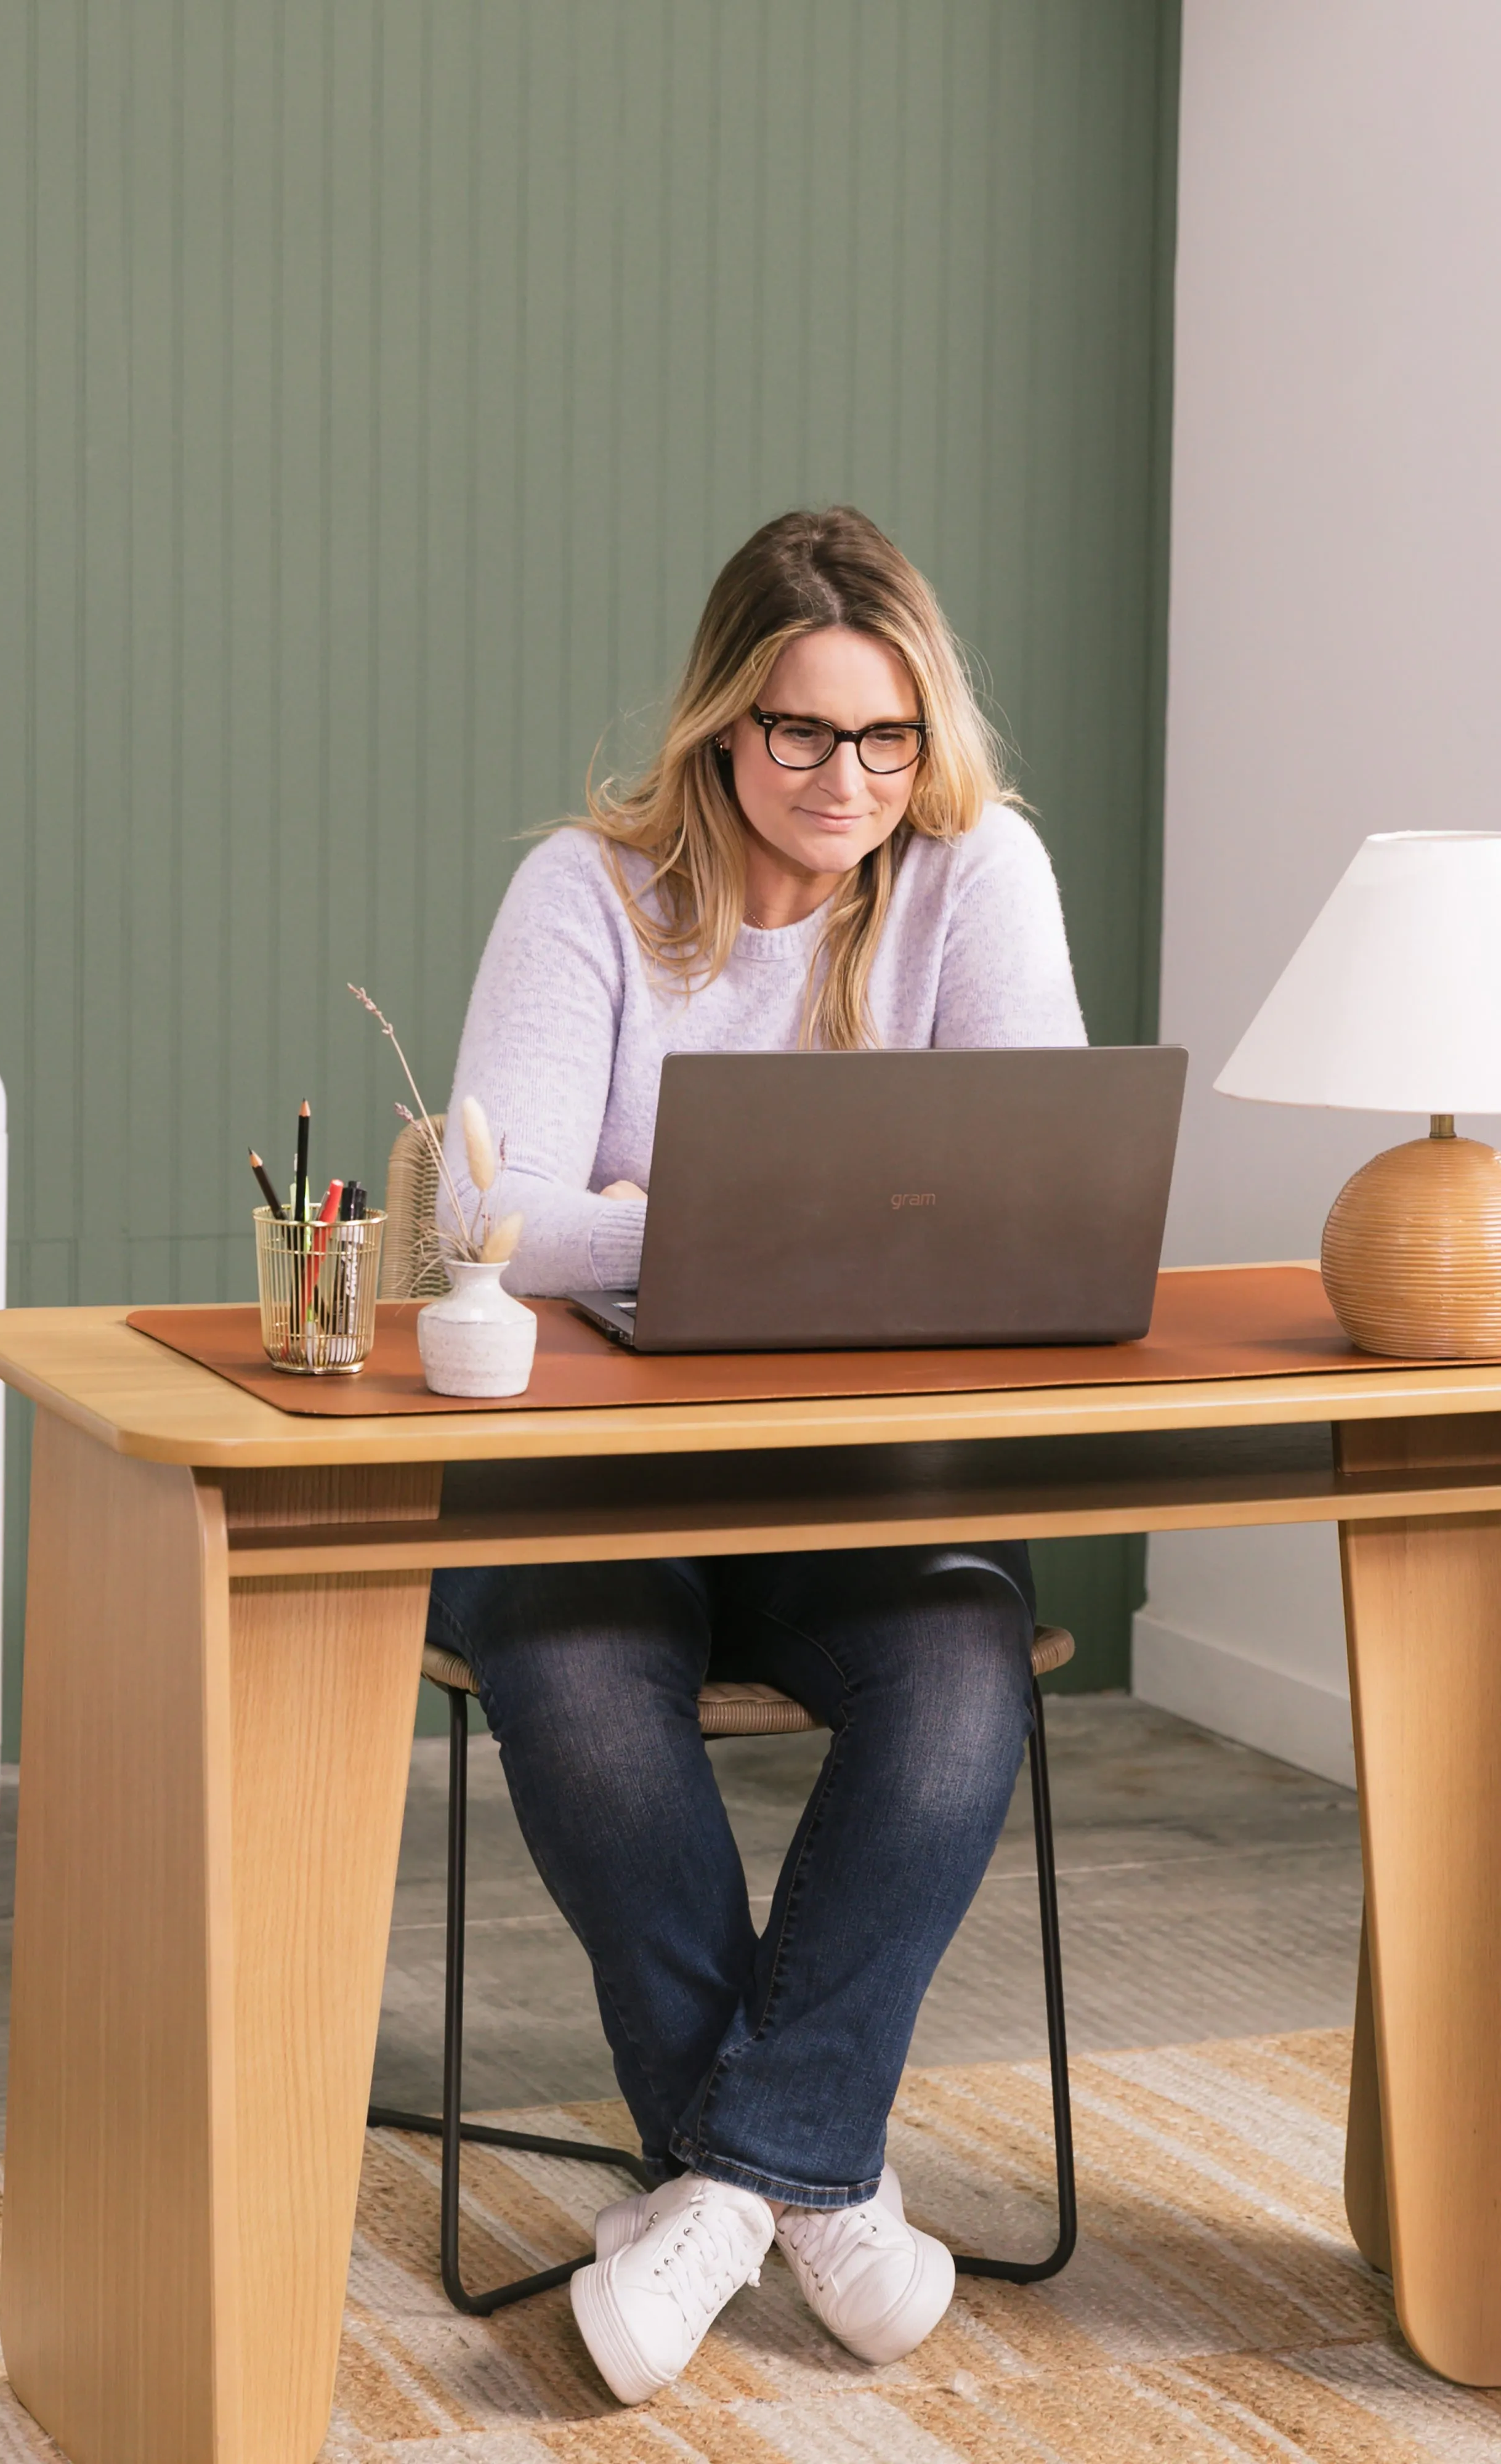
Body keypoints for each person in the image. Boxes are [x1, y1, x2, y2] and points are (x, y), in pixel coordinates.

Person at [427, 505, 1084, 2406]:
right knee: (568, 1675)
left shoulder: (979, 873)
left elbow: (1030, 1193)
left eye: (888, 738)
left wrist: (657, 1200)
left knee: (964, 1678)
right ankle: (826, 2187)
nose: (849, 780)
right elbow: (494, 1210)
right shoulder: (592, 888)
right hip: (594, 1480)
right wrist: (769, 1215)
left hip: (870, 1487)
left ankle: (728, 2187)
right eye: (804, 733)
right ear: (724, 724)